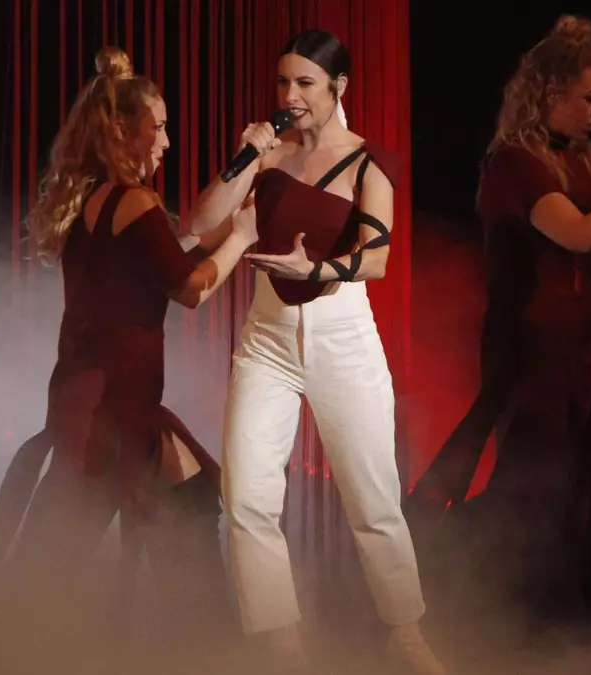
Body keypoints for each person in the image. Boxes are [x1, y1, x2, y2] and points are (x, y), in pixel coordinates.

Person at [0, 47, 259, 650]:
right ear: (123, 130)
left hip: (105, 401)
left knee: (182, 504)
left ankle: (203, 646)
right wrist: (243, 239)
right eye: (158, 126)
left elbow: (179, 246)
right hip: (109, 410)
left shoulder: (99, 199)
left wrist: (241, 193)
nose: (166, 140)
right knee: (61, 557)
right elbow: (191, 287)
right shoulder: (132, 202)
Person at [405, 15, 591, 619]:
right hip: (530, 347)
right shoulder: (514, 163)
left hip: (584, 342)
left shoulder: (586, 158)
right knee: (537, 481)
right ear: (549, 94)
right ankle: (500, 604)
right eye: (589, 97)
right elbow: (580, 233)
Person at [189, 29, 445, 674]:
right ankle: (282, 646)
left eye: (304, 82)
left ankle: (405, 634)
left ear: (339, 87)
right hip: (267, 339)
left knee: (372, 499)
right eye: (283, 82)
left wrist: (317, 269)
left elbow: (378, 259)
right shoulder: (267, 158)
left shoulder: (368, 161)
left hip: (342, 338)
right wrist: (245, 158)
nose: (290, 95)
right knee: (246, 497)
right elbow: (199, 225)